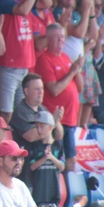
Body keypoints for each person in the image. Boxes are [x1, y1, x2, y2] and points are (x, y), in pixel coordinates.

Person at [0, 0, 51, 121]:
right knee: (6, 112)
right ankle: (2, 137)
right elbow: (22, 10)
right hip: (8, 65)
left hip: (24, 66)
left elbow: (47, 3)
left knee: (21, 113)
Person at [34, 22, 83, 170]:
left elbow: (80, 88)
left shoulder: (66, 57)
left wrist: (77, 69)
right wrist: (72, 72)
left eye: (62, 37)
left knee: (71, 159)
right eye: (56, 37)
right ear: (48, 39)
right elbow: (54, 89)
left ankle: (70, 185)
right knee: (57, 159)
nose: (61, 40)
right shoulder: (44, 59)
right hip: (56, 119)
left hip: (70, 117)